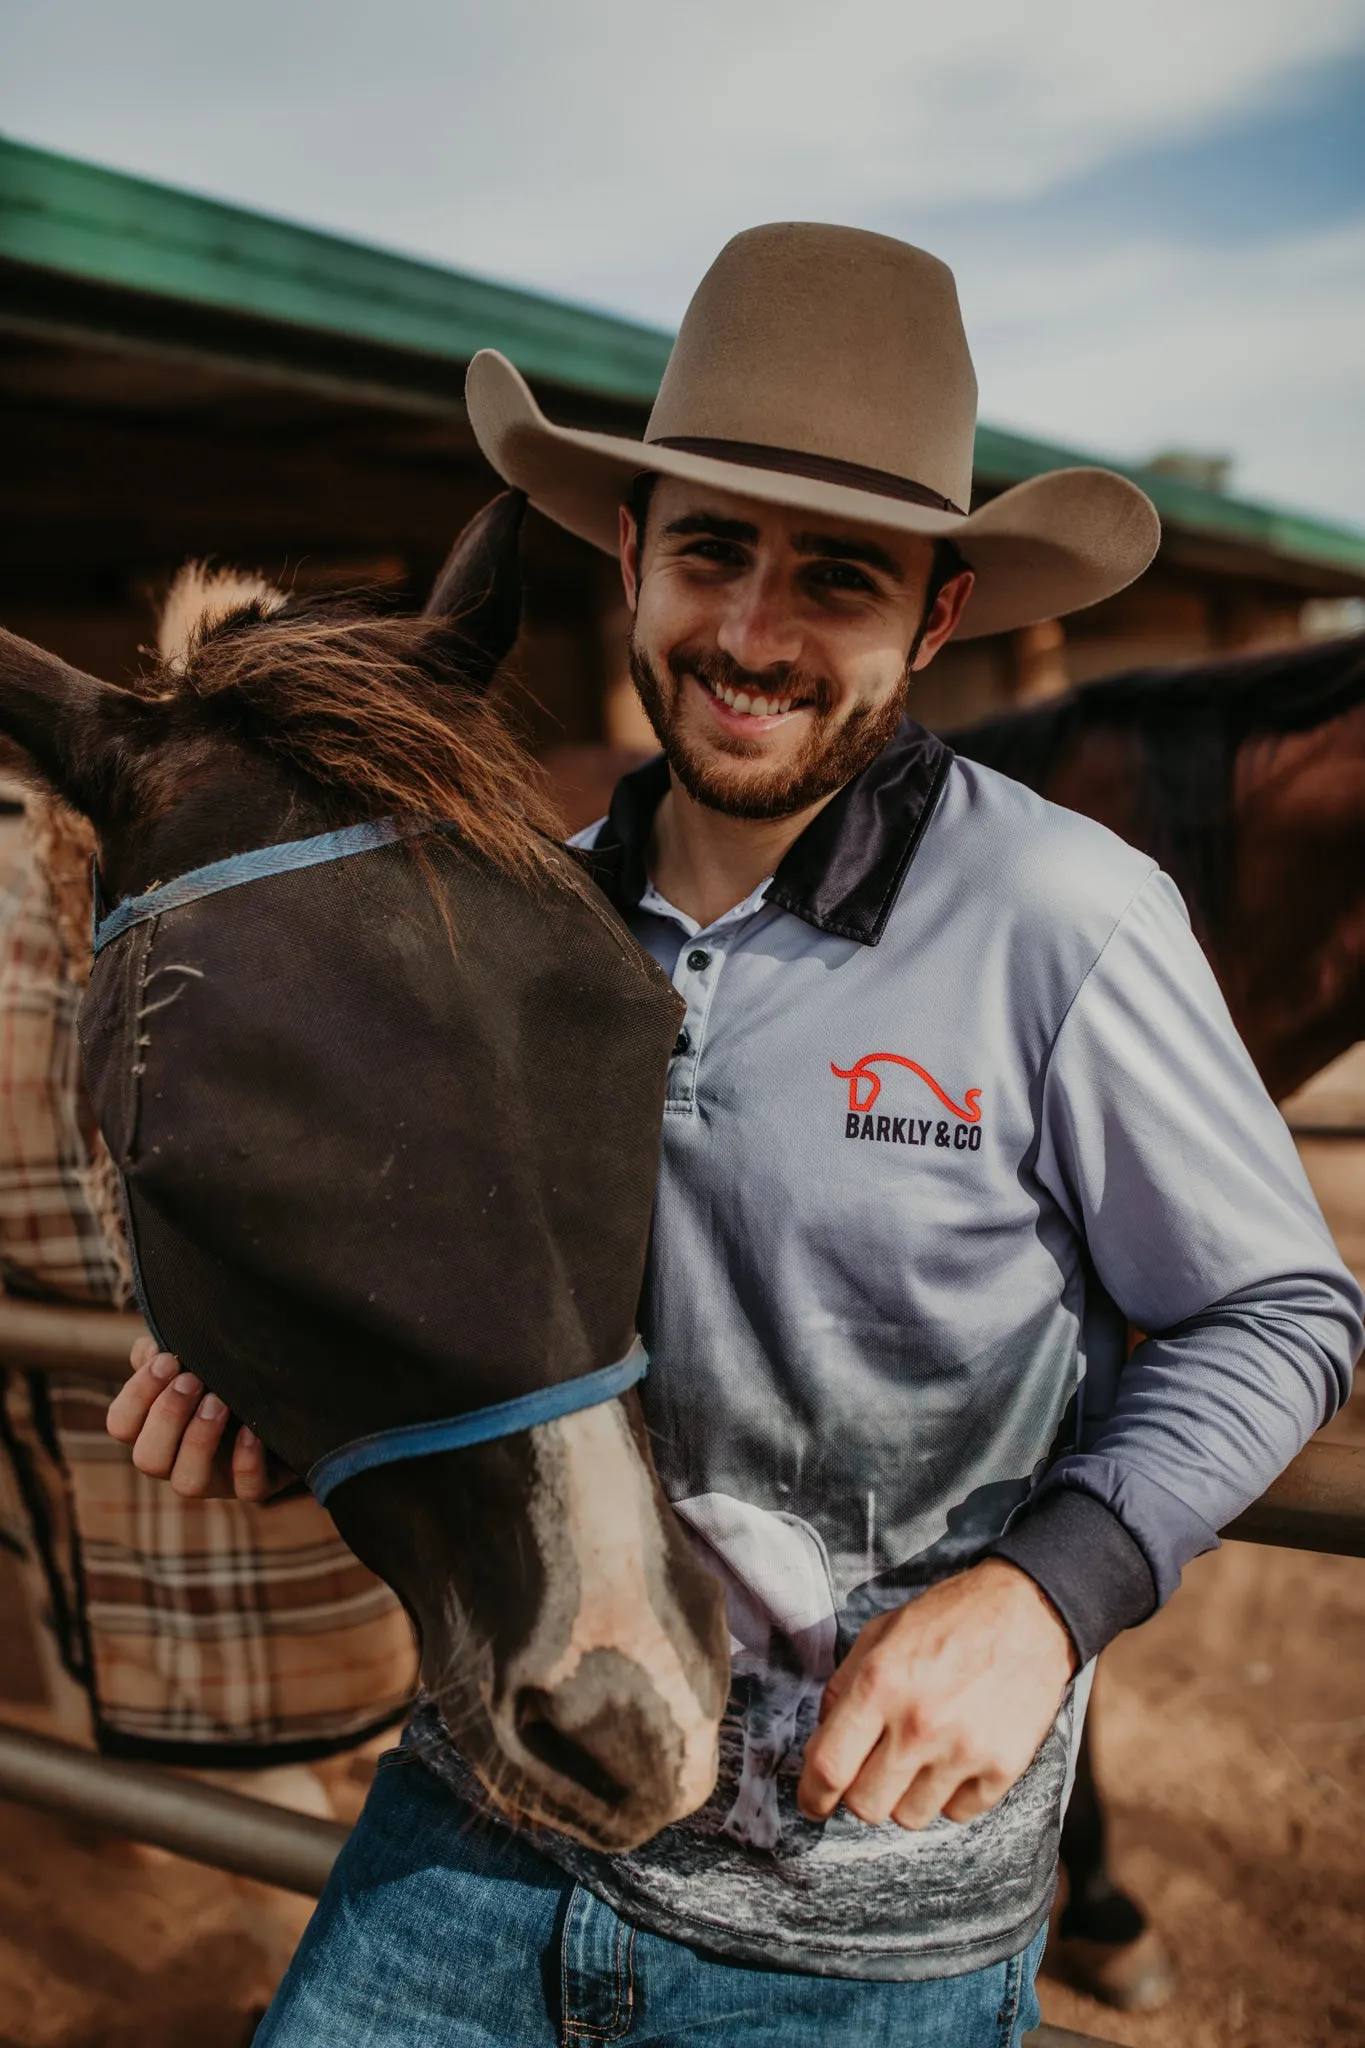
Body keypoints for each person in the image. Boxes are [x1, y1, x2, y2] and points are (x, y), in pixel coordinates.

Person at [110, 225, 1362, 2047]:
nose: (754, 638)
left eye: (838, 580)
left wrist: (1044, 1596)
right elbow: (460, 1301)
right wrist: (285, 1401)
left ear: (937, 614)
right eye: (711, 551)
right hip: (474, 1837)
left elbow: (1280, 1313)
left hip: (857, 1945)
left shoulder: (1063, 920)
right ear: (630, 556)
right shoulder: (502, 920)